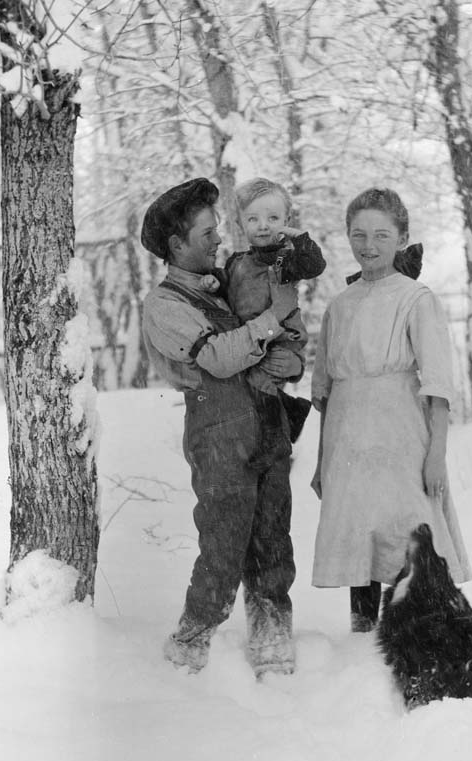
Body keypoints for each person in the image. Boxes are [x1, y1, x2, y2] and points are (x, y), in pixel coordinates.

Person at [140, 177, 304, 677]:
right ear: (177, 244)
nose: (218, 239)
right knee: (224, 540)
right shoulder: (165, 305)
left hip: (266, 424)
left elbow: (275, 347)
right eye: (207, 232)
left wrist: (291, 362)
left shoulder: (226, 284)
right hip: (219, 433)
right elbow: (219, 356)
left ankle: (271, 632)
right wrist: (275, 318)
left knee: (273, 536)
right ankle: (192, 641)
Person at [310, 186, 472, 632]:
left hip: (400, 437)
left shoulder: (416, 299)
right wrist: (324, 462)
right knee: (360, 540)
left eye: (382, 235)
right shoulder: (339, 306)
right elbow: (325, 391)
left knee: (406, 540)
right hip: (347, 441)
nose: (369, 246)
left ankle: (410, 642)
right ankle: (363, 642)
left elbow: (438, 387)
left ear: (402, 238)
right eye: (359, 235)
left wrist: (436, 455)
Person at [224, 177, 326, 448]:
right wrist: (213, 282)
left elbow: (315, 266)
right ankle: (284, 418)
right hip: (250, 340)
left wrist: (301, 240)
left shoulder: (284, 259)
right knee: (253, 390)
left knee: (262, 389)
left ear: (286, 220)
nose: (263, 225)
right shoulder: (236, 263)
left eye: (272, 217)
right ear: (240, 223)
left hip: (279, 340)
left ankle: (276, 434)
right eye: (253, 219)